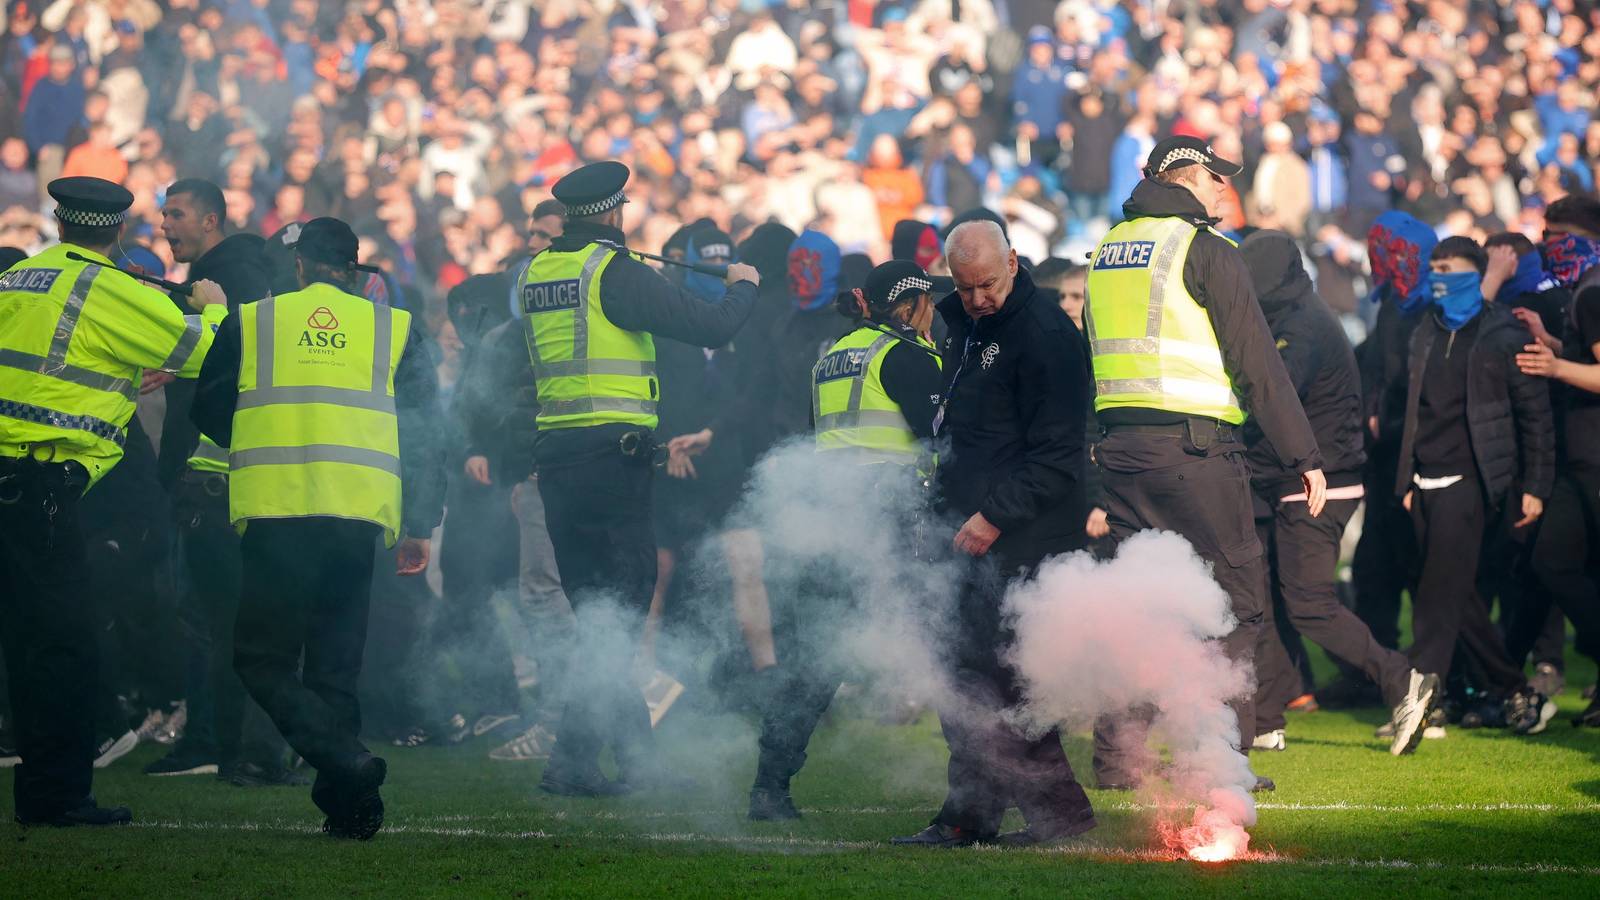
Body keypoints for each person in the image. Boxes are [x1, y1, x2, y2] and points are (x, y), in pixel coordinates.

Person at [1082, 137, 1329, 791]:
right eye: (1220, 179)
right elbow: (1258, 365)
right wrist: (1304, 455)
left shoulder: (1107, 251)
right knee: (1240, 605)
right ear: (1191, 177)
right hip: (1196, 456)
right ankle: (1218, 760)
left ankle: (1116, 760)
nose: (1227, 191)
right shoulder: (1205, 250)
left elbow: (1094, 359)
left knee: (1139, 608)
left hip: (1121, 456)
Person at [190, 216, 446, 839]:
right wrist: (419, 523)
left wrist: (265, 435)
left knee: (261, 658)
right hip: (357, 515)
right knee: (335, 668)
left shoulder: (256, 320)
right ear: (356, 272)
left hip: (278, 511)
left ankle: (345, 761)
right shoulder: (394, 327)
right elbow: (426, 433)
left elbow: (209, 409)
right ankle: (352, 812)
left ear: (299, 265)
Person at [521, 161, 760, 797]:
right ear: (616, 212)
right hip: (610, 461)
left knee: (600, 615)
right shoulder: (613, 271)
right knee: (622, 611)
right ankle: (586, 763)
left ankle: (614, 763)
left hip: (559, 462)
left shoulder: (538, 271)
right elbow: (712, 324)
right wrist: (744, 285)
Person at [0, 176, 227, 826]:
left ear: (58, 222)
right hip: (46, 492)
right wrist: (210, 306)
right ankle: (58, 797)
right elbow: (200, 351)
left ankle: (41, 792)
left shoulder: (18, 279)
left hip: (8, 483)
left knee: (23, 645)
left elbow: (62, 359)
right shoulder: (110, 289)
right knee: (68, 647)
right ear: (118, 231)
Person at [894, 220, 1097, 848]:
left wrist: (994, 515)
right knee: (966, 676)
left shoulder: (1047, 337)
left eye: (987, 284)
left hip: (1024, 534)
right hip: (969, 528)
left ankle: (1052, 816)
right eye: (965, 286)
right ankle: (972, 815)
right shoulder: (965, 323)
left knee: (1005, 680)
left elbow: (1058, 455)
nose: (979, 297)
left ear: (1013, 261)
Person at [750, 259, 942, 822]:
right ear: (908, 307)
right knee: (953, 643)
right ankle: (989, 787)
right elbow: (943, 432)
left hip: (830, 517)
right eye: (928, 301)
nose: (934, 311)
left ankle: (769, 787)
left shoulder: (834, 354)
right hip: (887, 519)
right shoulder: (903, 354)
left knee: (814, 660)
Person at [1239, 230, 1440, 756]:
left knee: (1308, 605)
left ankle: (1401, 679)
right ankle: (1265, 717)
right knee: (1269, 602)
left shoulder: (1300, 328)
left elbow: (1270, 395)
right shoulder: (1295, 313)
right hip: (1295, 480)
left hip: (1316, 482)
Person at [142, 178, 294, 786]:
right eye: (162, 213)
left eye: (175, 214)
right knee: (214, 618)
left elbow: (246, 352)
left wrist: (191, 336)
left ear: (210, 221)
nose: (164, 225)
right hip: (215, 473)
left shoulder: (232, 278)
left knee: (211, 620)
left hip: (215, 474)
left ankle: (216, 740)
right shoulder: (229, 273)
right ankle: (227, 741)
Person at [1396, 236, 1555, 736]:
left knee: (1435, 597)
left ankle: (1419, 698)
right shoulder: (1423, 331)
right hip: (1422, 479)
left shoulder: (1504, 334)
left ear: (1476, 272)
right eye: (1435, 267)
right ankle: (1516, 691)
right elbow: (1413, 413)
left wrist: (1536, 485)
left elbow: (1536, 419)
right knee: (1456, 594)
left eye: (1451, 268)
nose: (1439, 276)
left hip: (1473, 481)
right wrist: (1405, 478)